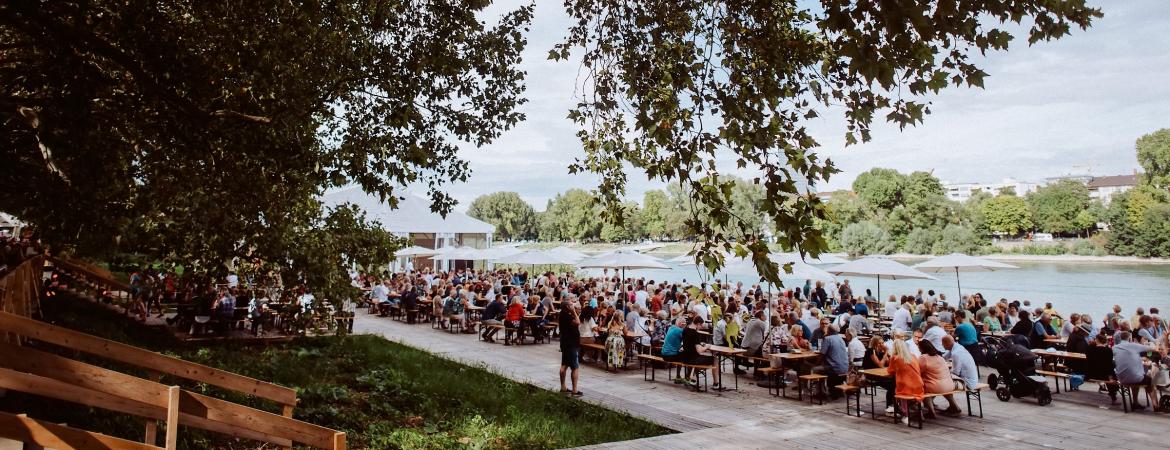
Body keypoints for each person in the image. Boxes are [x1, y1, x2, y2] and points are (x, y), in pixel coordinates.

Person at [1112, 330, 1164, 411]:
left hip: (1121, 379)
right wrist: (1157, 343)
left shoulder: (1114, 348)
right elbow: (1155, 349)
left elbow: (1125, 357)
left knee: (1137, 377)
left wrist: (1138, 358)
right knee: (1149, 380)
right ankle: (1155, 404)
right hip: (1135, 377)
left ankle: (1135, 403)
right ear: (1129, 338)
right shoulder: (1133, 345)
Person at [889, 339, 925, 425]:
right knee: (904, 387)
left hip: (906, 387)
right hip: (919, 385)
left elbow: (890, 371)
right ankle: (918, 412)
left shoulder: (895, 358)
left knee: (899, 391)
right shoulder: (913, 356)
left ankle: (905, 414)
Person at [680, 316, 722, 389]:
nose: (700, 328)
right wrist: (707, 347)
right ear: (698, 324)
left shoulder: (685, 330)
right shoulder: (695, 333)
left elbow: (690, 343)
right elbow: (699, 351)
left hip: (685, 357)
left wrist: (700, 344)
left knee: (703, 359)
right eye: (701, 326)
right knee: (715, 359)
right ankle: (716, 383)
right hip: (693, 359)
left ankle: (694, 378)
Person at [815, 325, 849, 398]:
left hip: (833, 368)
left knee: (815, 370)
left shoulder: (827, 339)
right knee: (823, 367)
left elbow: (822, 354)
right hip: (845, 367)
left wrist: (816, 363)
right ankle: (836, 390)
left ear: (828, 331)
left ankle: (820, 392)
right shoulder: (841, 339)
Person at [558, 301, 583, 396]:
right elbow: (577, 322)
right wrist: (574, 312)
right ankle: (575, 390)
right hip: (571, 344)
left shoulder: (562, 314)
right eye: (571, 305)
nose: (573, 306)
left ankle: (563, 387)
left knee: (564, 365)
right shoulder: (567, 316)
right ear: (568, 307)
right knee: (575, 367)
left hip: (565, 343)